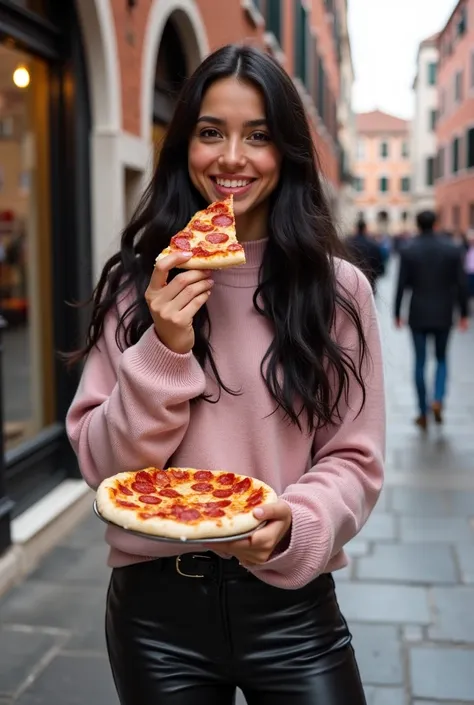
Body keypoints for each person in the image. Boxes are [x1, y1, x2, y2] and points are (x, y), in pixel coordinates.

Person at [66, 45, 385, 705]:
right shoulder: (137, 283)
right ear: (185, 144)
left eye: (258, 136)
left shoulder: (340, 290)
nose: (232, 158)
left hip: (292, 607)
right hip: (156, 614)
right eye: (211, 132)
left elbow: (355, 458)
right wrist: (165, 346)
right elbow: (103, 467)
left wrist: (300, 518)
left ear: (287, 152)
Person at [394, 210, 469, 430]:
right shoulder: (452, 249)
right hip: (444, 312)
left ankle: (422, 410)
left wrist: (397, 313)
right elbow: (461, 285)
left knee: (419, 361)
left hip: (418, 312)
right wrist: (463, 314)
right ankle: (437, 398)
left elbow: (401, 285)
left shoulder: (408, 250)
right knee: (442, 358)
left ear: (417, 224)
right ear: (436, 224)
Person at [347, 219, 385, 292]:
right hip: (370, 279)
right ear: (365, 229)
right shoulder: (373, 245)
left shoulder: (348, 244)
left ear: (357, 229)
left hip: (352, 280)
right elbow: (379, 264)